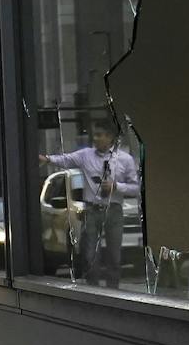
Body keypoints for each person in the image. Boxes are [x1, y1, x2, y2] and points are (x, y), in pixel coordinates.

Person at [39, 123, 141, 289]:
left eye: (100, 135)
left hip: (114, 210)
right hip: (93, 209)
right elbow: (67, 159)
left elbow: (136, 187)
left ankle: (113, 290)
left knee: (114, 255)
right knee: (90, 254)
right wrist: (48, 159)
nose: (96, 139)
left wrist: (117, 187)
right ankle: (93, 289)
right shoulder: (86, 155)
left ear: (110, 138)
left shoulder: (124, 159)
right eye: (95, 135)